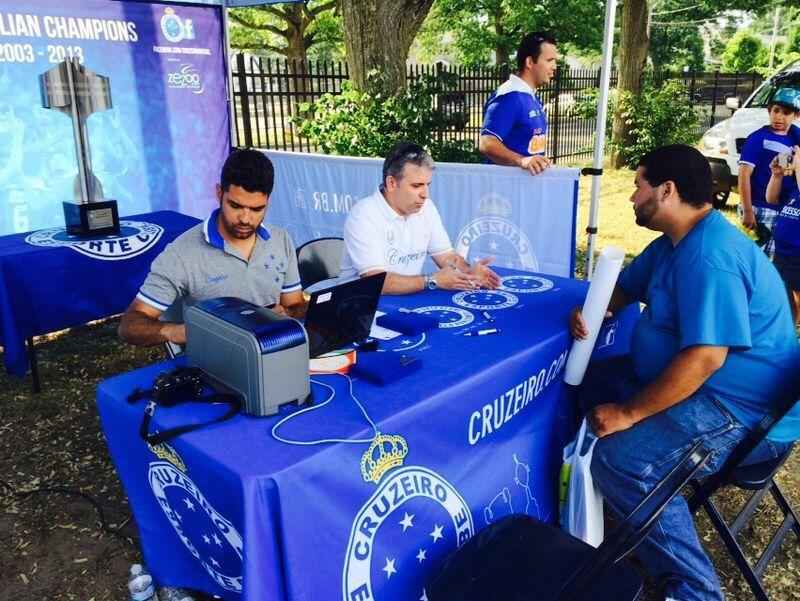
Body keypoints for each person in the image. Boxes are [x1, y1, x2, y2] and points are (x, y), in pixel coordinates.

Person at [570, 144, 800, 601]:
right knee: (589, 387)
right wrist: (593, 311)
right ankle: (605, 514)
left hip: (743, 412)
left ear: (667, 190)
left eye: (638, 186)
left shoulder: (709, 255)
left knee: (621, 460)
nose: (632, 197)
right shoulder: (673, 243)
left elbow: (705, 359)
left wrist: (631, 414)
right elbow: (625, 288)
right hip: (714, 393)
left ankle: (694, 591)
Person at [119, 149, 304, 346]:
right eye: (235, 206)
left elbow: (295, 305)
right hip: (214, 361)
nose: (245, 219)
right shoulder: (182, 253)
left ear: (268, 201)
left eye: (257, 209)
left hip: (273, 349)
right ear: (219, 193)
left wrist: (287, 313)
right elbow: (130, 326)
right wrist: (179, 332)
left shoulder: (280, 239)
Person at [340, 142, 500, 295]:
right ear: (391, 183)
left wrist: (469, 272)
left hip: (406, 302)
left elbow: (446, 257)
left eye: (427, 185)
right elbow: (377, 283)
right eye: (416, 186)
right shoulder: (364, 215)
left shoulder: (426, 207)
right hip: (359, 310)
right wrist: (432, 280)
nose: (425, 195)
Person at [478, 32, 558, 175]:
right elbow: (487, 143)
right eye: (549, 60)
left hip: (526, 191)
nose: (554, 67)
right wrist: (522, 160)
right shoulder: (510, 96)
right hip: (506, 192)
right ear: (529, 62)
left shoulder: (530, 97)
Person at [737, 87, 800, 254]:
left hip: (782, 208)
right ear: (769, 111)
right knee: (755, 255)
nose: (779, 117)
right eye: (776, 111)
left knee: (774, 257)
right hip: (758, 206)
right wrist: (747, 210)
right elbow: (744, 175)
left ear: (796, 116)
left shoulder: (794, 136)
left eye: (786, 113)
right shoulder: (758, 138)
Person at [766, 143, 800, 325]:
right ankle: (791, 331)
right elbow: (771, 199)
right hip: (782, 254)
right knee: (784, 301)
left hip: (798, 256)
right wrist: (777, 176)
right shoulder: (795, 188)